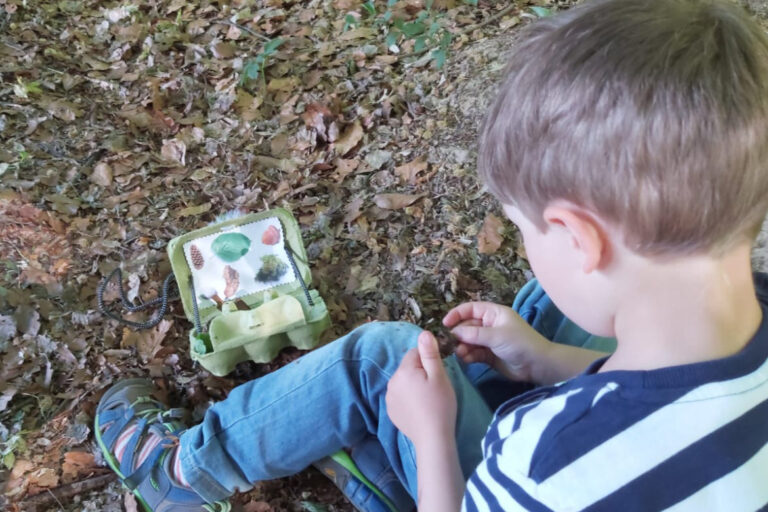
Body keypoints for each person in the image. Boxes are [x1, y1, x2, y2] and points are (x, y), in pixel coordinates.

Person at [93, 0, 768, 510]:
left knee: (378, 360)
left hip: (524, 486)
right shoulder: (751, 296)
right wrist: (550, 362)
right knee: (545, 312)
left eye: (527, 231)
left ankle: (179, 473)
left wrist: (432, 438)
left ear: (579, 237)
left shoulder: (546, 459)